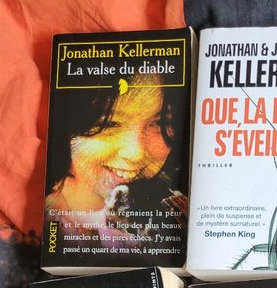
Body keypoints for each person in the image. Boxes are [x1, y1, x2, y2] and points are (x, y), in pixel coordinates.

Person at [45, 72, 187, 247]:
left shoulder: (177, 213)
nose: (136, 154)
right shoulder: (45, 222)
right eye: (109, 123)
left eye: (158, 122)